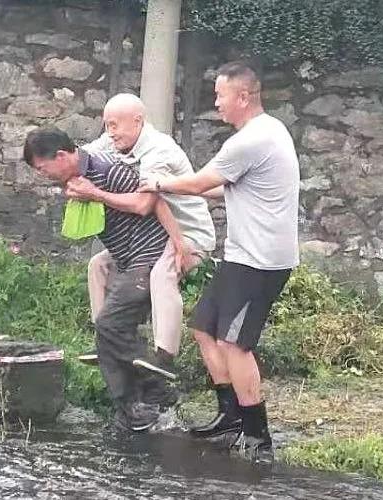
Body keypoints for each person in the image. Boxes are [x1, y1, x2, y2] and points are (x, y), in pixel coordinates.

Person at [139, 61, 300, 464]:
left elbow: (199, 182)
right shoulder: (265, 132)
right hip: (242, 256)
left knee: (234, 343)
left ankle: (258, 435)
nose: (216, 103)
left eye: (220, 95)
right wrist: (174, 190)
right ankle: (230, 417)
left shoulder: (252, 140)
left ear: (243, 97)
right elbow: (216, 188)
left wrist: (157, 183)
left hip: (261, 262)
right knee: (205, 328)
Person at [23, 127, 169, 432]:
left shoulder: (107, 170)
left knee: (108, 324)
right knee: (109, 330)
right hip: (125, 259)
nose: (42, 175)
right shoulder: (78, 177)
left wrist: (95, 194)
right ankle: (134, 409)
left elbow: (149, 202)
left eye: (42, 168)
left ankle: (154, 390)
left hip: (150, 254)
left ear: (61, 156)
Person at [71, 94, 216, 385]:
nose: (110, 132)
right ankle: (104, 340)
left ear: (138, 121)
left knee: (163, 273)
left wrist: (94, 193)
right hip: (154, 236)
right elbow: (82, 156)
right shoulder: (113, 140)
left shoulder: (159, 149)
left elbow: (144, 204)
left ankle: (165, 356)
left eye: (115, 125)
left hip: (188, 233)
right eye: (107, 125)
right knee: (98, 265)